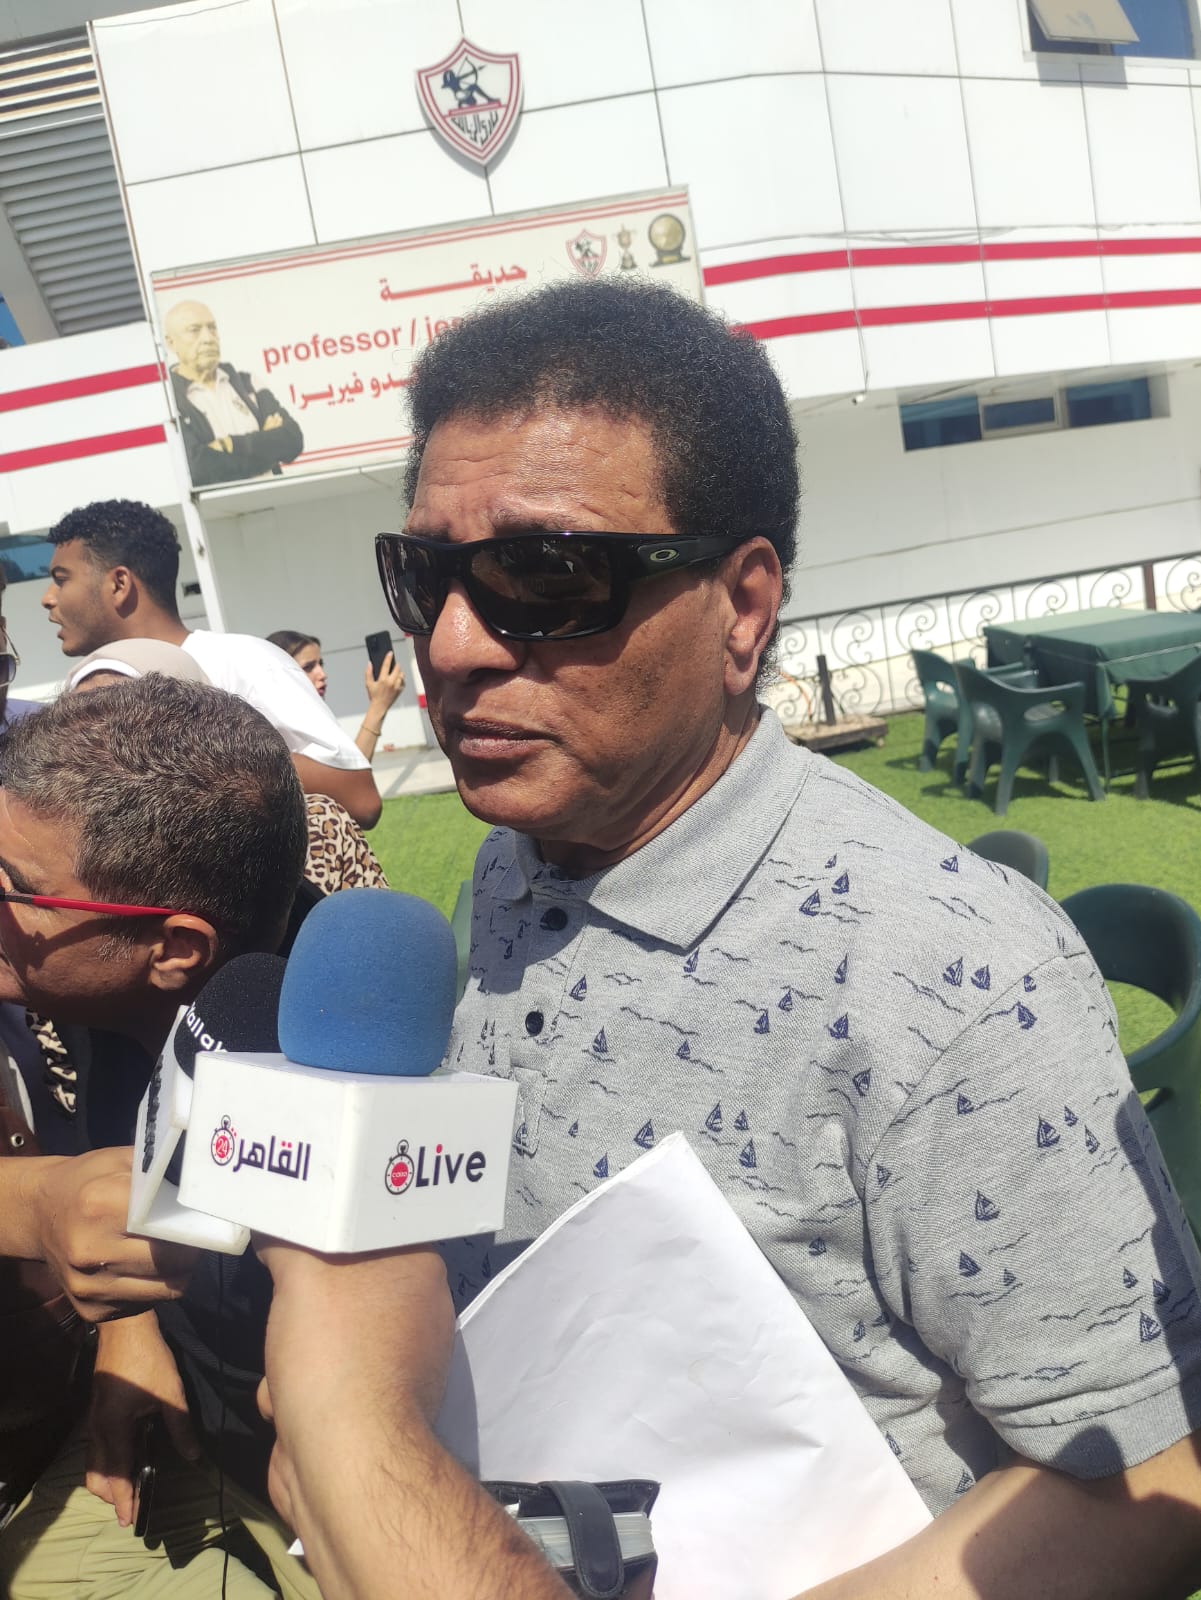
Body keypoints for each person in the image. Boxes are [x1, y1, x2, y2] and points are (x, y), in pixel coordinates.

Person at [374, 276, 1201, 1598]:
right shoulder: (517, 858)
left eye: (546, 576)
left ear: (743, 609)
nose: (455, 644)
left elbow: (1150, 1485)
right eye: (424, 578)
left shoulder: (949, 976)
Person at [0, 679, 575, 1599]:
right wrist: (127, 1329)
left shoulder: (341, 1055)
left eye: (16, 889)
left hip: (341, 1506)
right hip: (170, 1433)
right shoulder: (97, 981)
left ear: (173, 950)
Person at [43, 500, 383, 828]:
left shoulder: (243, 661)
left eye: (61, 579)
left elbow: (360, 798)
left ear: (119, 584)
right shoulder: (86, 690)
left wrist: (188, 753)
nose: (48, 598)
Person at [164, 300, 303, 488]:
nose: (208, 338)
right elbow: (199, 469)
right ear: (171, 343)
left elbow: (292, 439)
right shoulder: (169, 401)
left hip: (276, 497)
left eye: (212, 328)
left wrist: (229, 445)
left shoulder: (248, 383)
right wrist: (264, 445)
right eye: (194, 330)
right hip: (223, 505)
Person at [268, 627, 406, 762]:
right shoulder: (281, 733)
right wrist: (378, 706)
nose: (322, 674)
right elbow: (353, 772)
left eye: (321, 664)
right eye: (308, 667)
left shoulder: (314, 717)